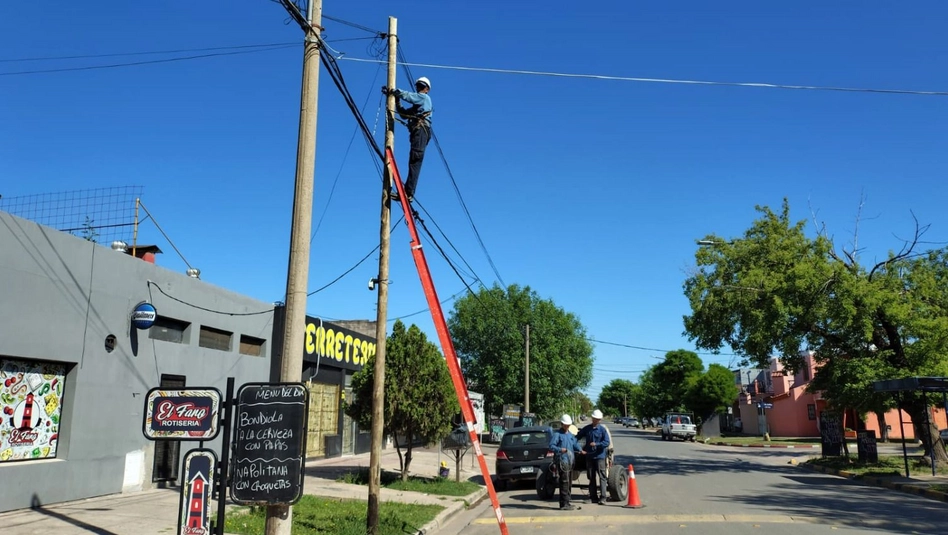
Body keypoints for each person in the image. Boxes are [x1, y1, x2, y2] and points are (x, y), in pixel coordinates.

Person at [382, 76, 433, 202]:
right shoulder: (417, 107)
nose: (419, 89)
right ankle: (407, 192)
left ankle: (408, 192)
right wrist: (397, 101)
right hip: (418, 132)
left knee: (415, 160)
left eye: (422, 87)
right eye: (418, 86)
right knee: (413, 161)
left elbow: (409, 96)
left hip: (421, 131)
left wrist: (394, 91)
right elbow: (404, 115)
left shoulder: (424, 98)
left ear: (427, 89)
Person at [549, 414, 583, 511]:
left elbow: (575, 444)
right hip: (562, 462)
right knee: (564, 482)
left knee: (569, 483)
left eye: (568, 425)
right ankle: (563, 504)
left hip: (570, 462)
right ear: (562, 424)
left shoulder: (570, 435)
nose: (567, 426)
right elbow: (551, 446)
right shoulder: (557, 435)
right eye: (565, 425)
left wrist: (580, 450)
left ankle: (567, 502)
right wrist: (560, 449)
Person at [576, 409, 611, 504]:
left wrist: (597, 444)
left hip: (600, 457)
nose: (596, 420)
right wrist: (579, 448)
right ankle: (593, 497)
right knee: (591, 477)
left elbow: (606, 442)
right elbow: (577, 437)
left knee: (602, 477)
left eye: (598, 419)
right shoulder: (587, 429)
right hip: (589, 457)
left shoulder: (602, 430)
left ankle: (603, 497)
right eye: (595, 418)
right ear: (592, 418)